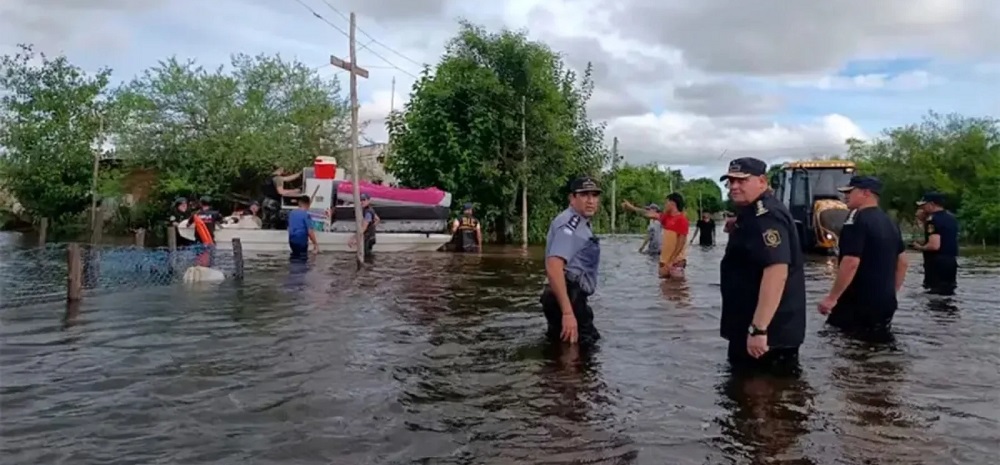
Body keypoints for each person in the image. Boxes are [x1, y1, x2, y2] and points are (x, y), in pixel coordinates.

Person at [718, 157, 806, 374]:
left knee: (762, 398)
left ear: (762, 181)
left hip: (767, 335)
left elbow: (776, 271)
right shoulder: (752, 212)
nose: (734, 187)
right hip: (753, 328)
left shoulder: (766, 216)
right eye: (730, 181)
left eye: (742, 181)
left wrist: (759, 328)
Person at [817, 176, 907, 334]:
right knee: (878, 344)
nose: (845, 196)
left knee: (840, 344)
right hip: (886, 302)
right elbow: (903, 261)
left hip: (858, 302)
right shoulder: (890, 221)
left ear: (866, 193)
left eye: (850, 192)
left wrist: (832, 298)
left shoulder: (856, 219)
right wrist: (891, 292)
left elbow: (851, 261)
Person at [541, 176, 602, 345]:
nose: (590, 201)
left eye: (594, 195)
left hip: (571, 297)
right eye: (584, 195)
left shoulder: (581, 222)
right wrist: (568, 313)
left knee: (566, 350)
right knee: (580, 356)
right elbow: (554, 266)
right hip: (567, 296)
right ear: (572, 198)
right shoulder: (570, 224)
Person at [622, 193, 689, 279]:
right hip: (664, 262)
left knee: (677, 289)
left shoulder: (681, 220)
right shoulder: (666, 218)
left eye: (666, 203)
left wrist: (670, 263)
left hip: (676, 262)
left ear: (673, 203)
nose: (665, 205)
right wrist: (632, 208)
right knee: (664, 290)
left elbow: (681, 243)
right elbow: (647, 213)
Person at [913, 192, 959, 295]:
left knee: (934, 295)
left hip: (936, 263)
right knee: (948, 293)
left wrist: (919, 247)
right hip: (951, 261)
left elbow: (934, 245)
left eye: (923, 205)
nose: (922, 208)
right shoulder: (951, 218)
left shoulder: (933, 220)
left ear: (931, 204)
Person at [348, 193, 379, 257]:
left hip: (367, 238)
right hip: (371, 237)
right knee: (368, 256)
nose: (362, 202)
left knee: (365, 257)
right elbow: (377, 219)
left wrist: (354, 239)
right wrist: (371, 228)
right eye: (361, 200)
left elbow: (363, 228)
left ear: (368, 200)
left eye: (364, 200)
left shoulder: (368, 213)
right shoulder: (370, 209)